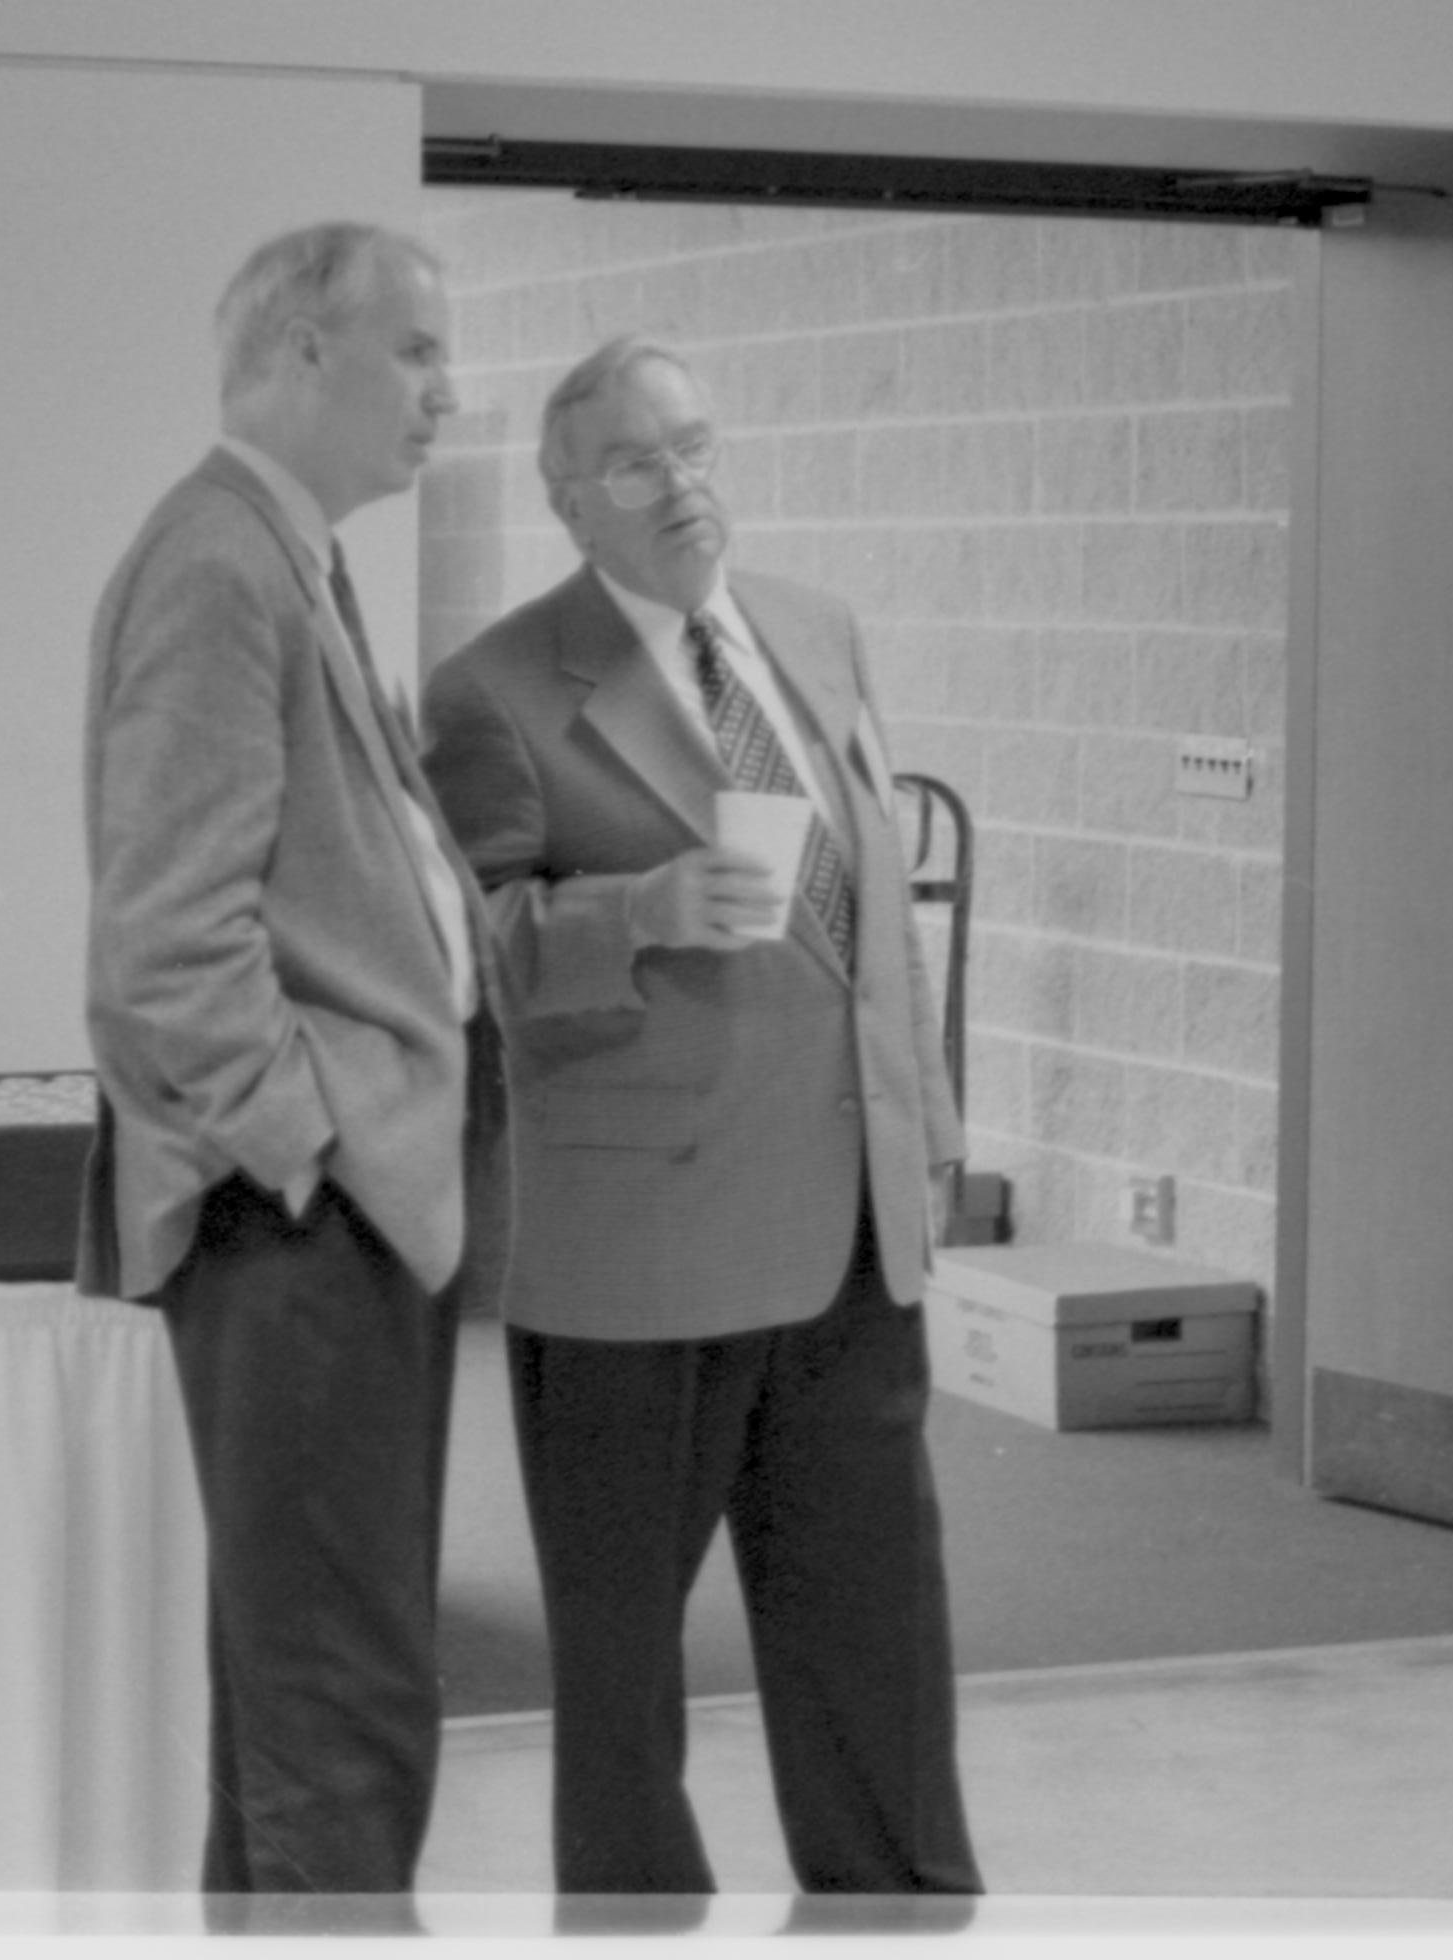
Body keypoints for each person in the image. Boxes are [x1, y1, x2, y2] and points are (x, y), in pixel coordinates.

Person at [419, 335, 981, 1906]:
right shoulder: (494, 691)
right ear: (568, 502)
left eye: (697, 447)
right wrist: (640, 909)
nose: (682, 486)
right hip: (638, 1247)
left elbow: (876, 905)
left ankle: (902, 1913)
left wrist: (926, 1127)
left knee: (880, 1629)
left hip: (853, 1231)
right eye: (635, 464)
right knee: (620, 1679)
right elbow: (467, 956)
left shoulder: (814, 629)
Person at [76, 221, 500, 1917]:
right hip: (299, 1220)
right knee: (343, 1714)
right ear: (302, 352)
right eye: (416, 354)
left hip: (345, 1213)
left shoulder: (286, 556)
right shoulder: (220, 564)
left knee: (306, 1702)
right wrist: (309, 1147)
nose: (446, 396)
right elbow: (167, 943)